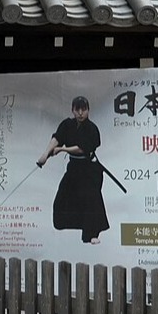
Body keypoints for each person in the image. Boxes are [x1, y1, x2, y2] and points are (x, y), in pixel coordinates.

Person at [39, 95, 111, 244]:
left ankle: (92, 234)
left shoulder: (92, 129)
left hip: (90, 169)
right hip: (74, 168)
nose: (80, 113)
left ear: (88, 110)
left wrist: (62, 150)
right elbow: (57, 138)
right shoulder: (67, 125)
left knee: (91, 200)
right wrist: (45, 154)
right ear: (72, 110)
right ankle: (70, 224)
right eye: (77, 109)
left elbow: (82, 148)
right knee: (61, 198)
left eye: (83, 109)